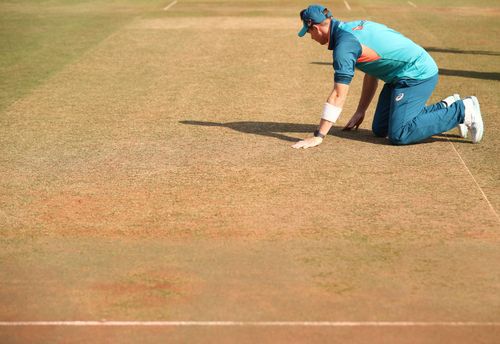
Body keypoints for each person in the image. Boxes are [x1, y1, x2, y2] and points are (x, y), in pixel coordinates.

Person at [292, 4, 483, 149]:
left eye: (308, 32)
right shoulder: (348, 29)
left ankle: (462, 110)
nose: (310, 37)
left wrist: (319, 135)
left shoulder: (344, 47)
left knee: (399, 133)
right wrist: (361, 110)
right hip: (399, 76)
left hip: (416, 74)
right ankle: (446, 105)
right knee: (379, 129)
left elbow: (338, 95)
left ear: (316, 28)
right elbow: (371, 71)